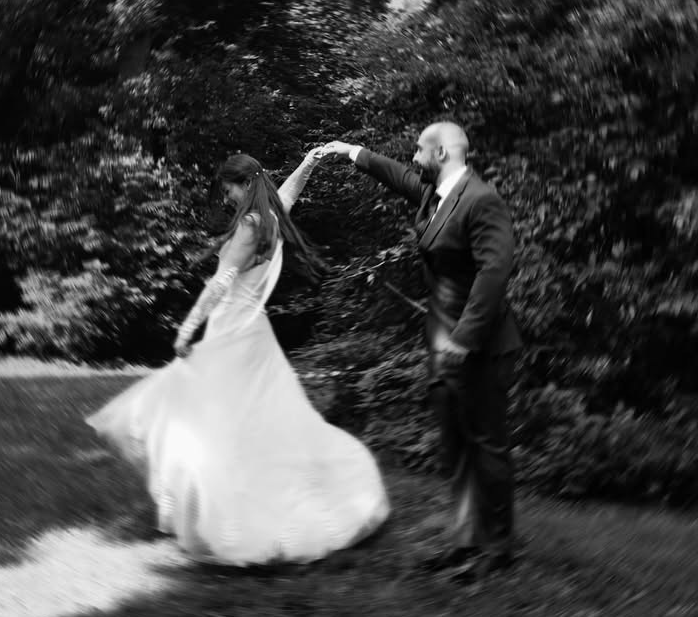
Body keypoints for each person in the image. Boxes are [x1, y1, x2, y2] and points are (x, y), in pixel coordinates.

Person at [85, 148, 389, 566]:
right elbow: (289, 193)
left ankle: (232, 518)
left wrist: (188, 326)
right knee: (252, 420)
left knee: (201, 416)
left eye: (228, 188)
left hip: (232, 332)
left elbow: (220, 283)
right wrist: (309, 162)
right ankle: (232, 503)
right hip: (255, 334)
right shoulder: (272, 217)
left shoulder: (250, 224)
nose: (226, 196)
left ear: (245, 185)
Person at [324, 123, 523, 581]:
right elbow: (396, 174)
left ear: (441, 152)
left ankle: (498, 550)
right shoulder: (433, 193)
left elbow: (494, 272)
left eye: (419, 149)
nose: (413, 155)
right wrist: (351, 151)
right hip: (441, 342)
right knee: (454, 448)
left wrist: (464, 338)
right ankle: (464, 541)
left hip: (481, 345)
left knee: (487, 446)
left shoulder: (480, 200)